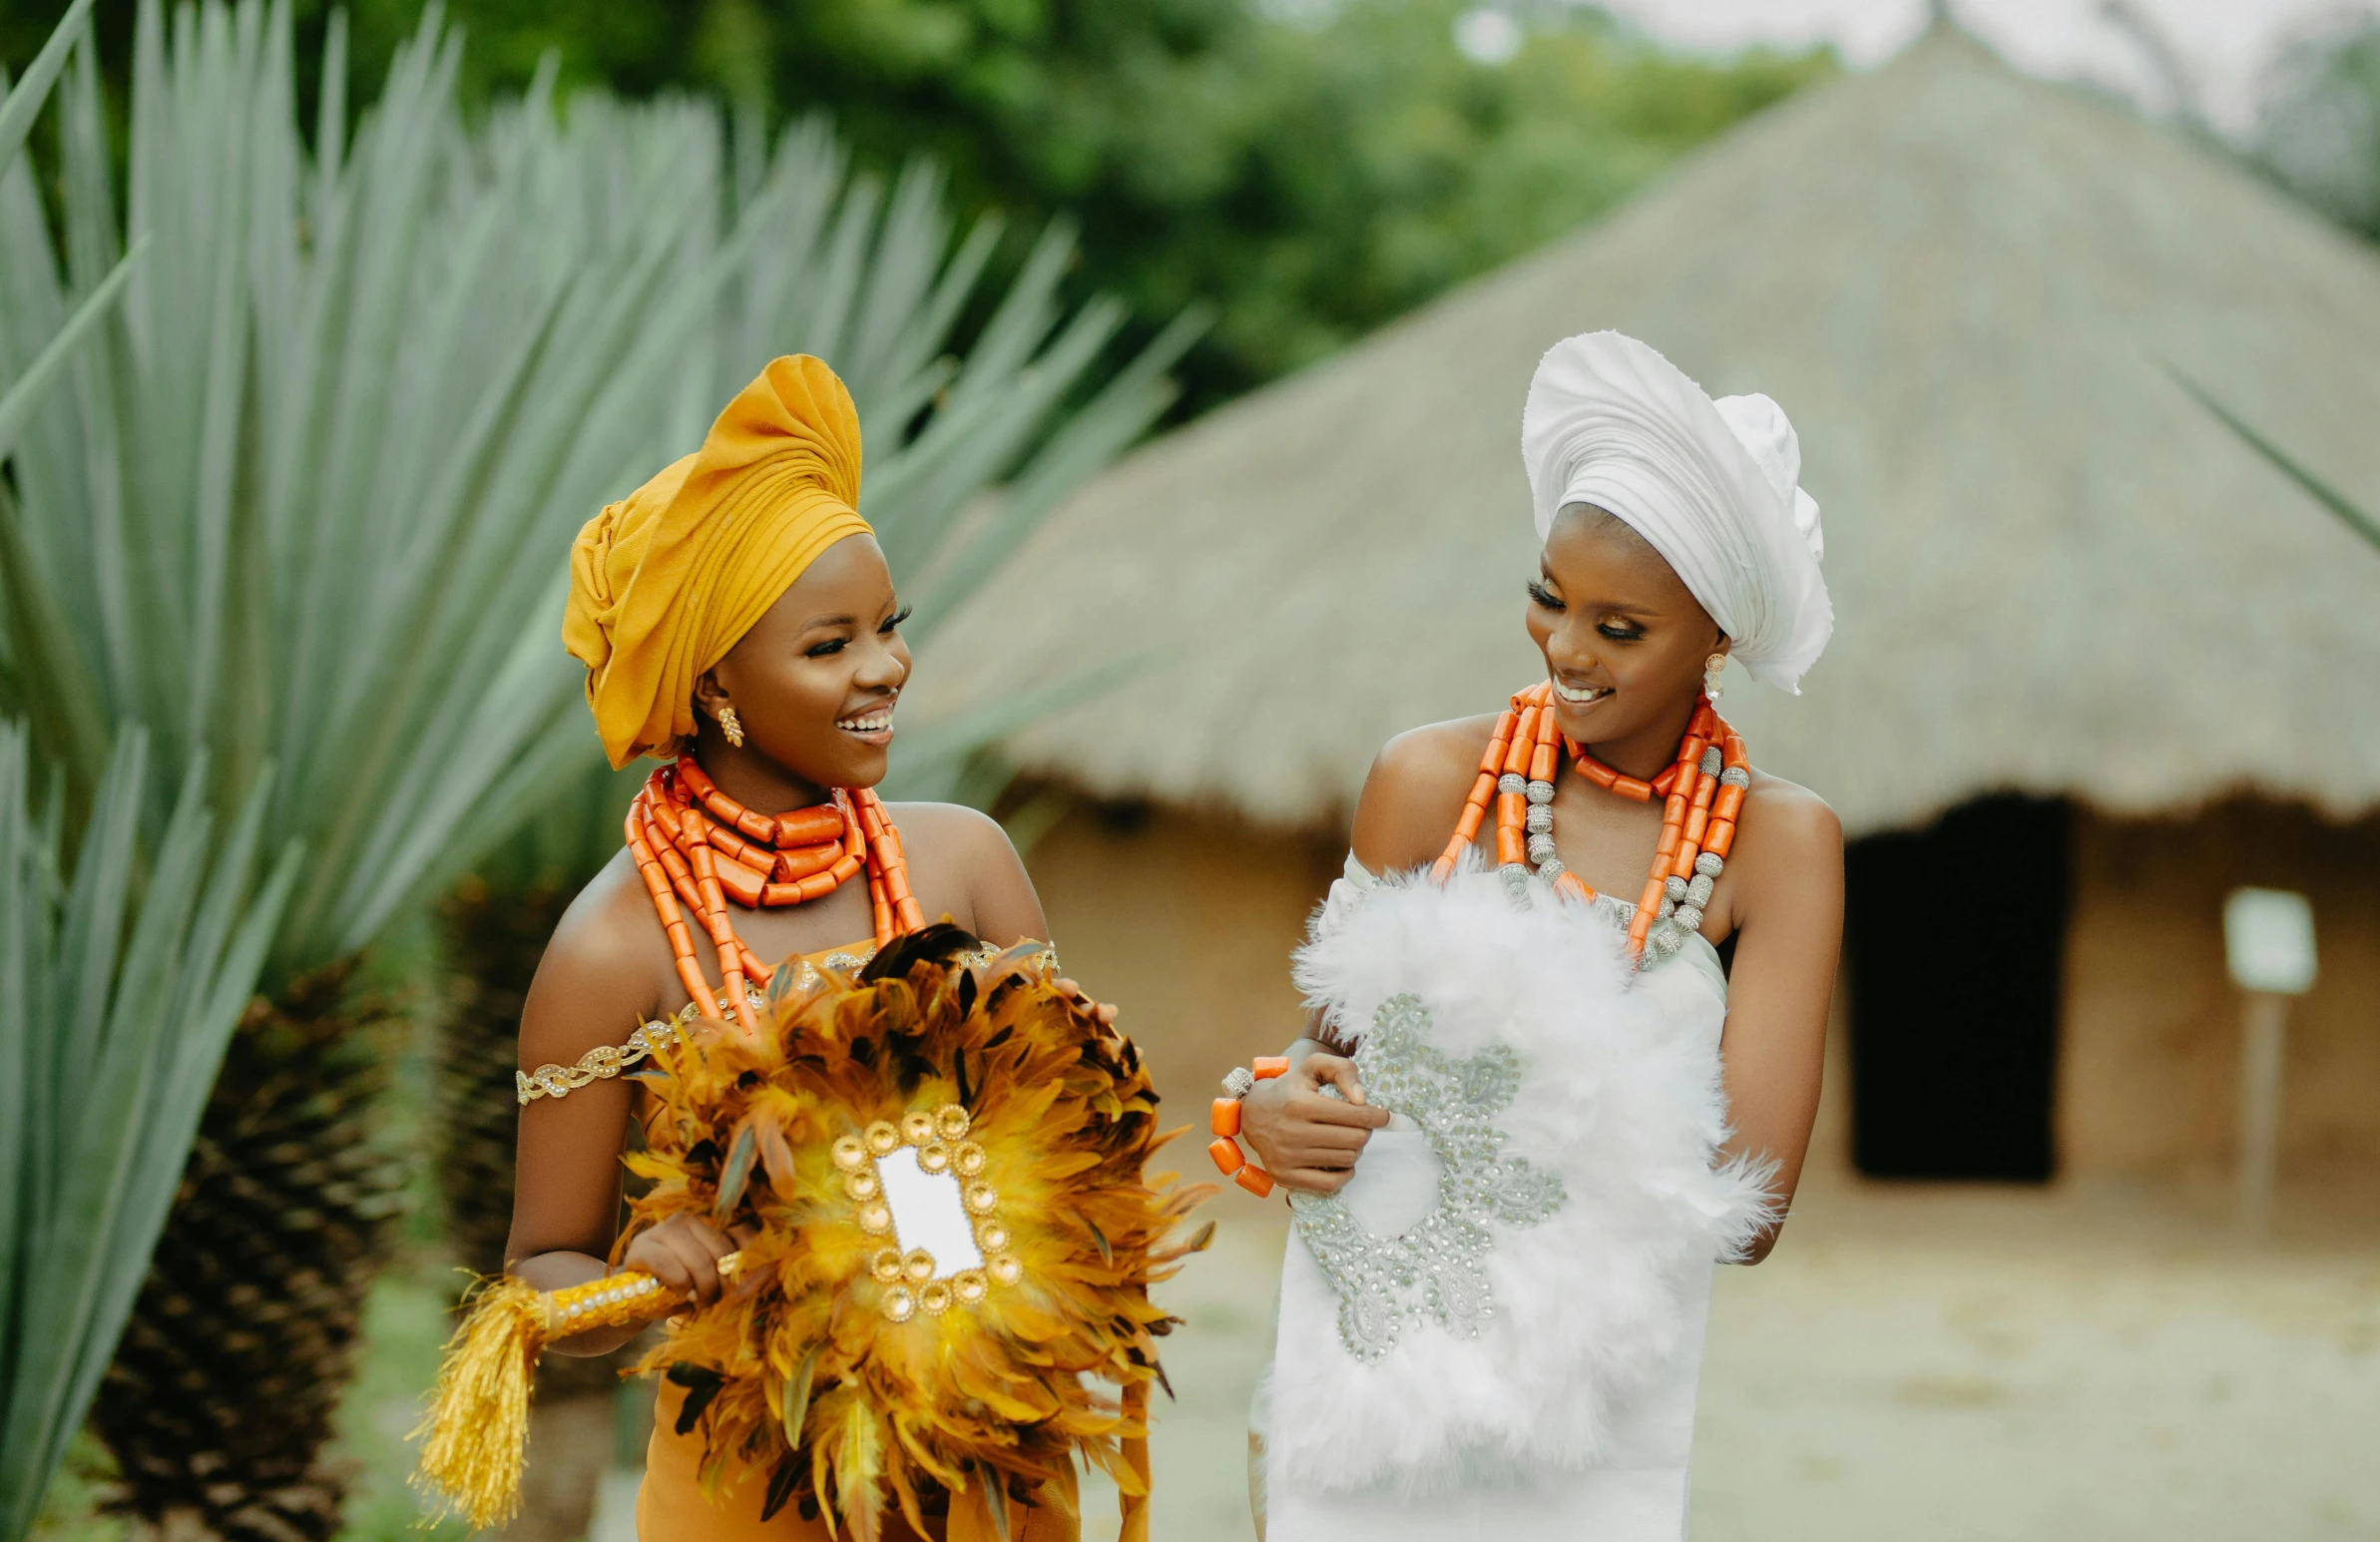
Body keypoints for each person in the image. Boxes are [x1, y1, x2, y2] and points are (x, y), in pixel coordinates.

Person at [1230, 330, 1844, 1539]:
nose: (1566, 649)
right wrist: (1266, 1110)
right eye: (1549, 599)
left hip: (1596, 1415)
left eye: (1621, 630)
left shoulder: (1779, 847)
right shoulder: (1426, 782)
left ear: (1717, 636)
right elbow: (1327, 1072)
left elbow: (1752, 1211)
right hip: (1373, 1382)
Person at [506, 354, 1071, 1541]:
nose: (886, 668)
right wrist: (648, 1260)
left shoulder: (963, 861)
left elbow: (1080, 1137)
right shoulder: (609, 949)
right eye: (830, 646)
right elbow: (541, 1275)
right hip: (753, 1488)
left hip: (989, 1458)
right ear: (715, 682)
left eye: (889, 627)